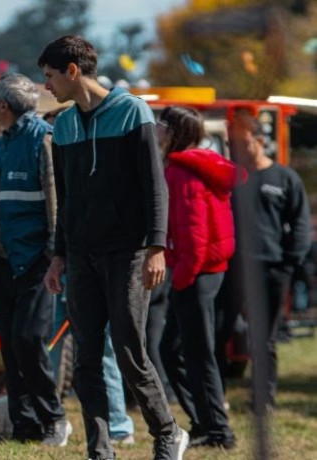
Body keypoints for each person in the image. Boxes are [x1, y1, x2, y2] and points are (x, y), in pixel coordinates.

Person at [37, 35, 188, 460]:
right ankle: (99, 450)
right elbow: (64, 200)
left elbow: (154, 188)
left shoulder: (132, 111)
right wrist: (59, 255)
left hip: (129, 251)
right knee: (86, 357)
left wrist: (156, 246)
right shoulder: (62, 125)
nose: (46, 86)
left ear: (72, 71)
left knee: (128, 348)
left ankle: (167, 432)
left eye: (49, 77)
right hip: (82, 254)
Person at [0, 73, 70, 446]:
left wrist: (56, 256)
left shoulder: (42, 139)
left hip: (34, 264)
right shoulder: (3, 142)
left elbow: (57, 204)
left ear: (4, 106)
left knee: (28, 340)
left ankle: (54, 418)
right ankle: (24, 426)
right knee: (11, 348)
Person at [43, 106, 135, 446]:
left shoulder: (93, 161)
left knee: (102, 349)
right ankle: (55, 418)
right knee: (65, 347)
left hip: (92, 263)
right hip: (68, 261)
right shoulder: (60, 160)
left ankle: (119, 424)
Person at [157, 105, 241, 449]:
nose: (157, 129)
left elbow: (193, 233)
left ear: (175, 131)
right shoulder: (194, 166)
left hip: (196, 273)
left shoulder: (183, 171)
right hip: (206, 271)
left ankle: (217, 430)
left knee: (196, 352)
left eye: (162, 124)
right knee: (177, 350)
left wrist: (180, 275)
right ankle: (206, 422)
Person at [221, 108, 310, 409]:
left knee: (265, 337)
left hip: (272, 268)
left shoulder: (284, 178)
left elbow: (300, 222)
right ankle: (216, 395)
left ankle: (263, 399)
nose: (239, 148)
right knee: (221, 329)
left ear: (260, 140)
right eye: (233, 143)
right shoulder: (231, 178)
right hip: (232, 267)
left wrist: (290, 261)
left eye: (243, 142)